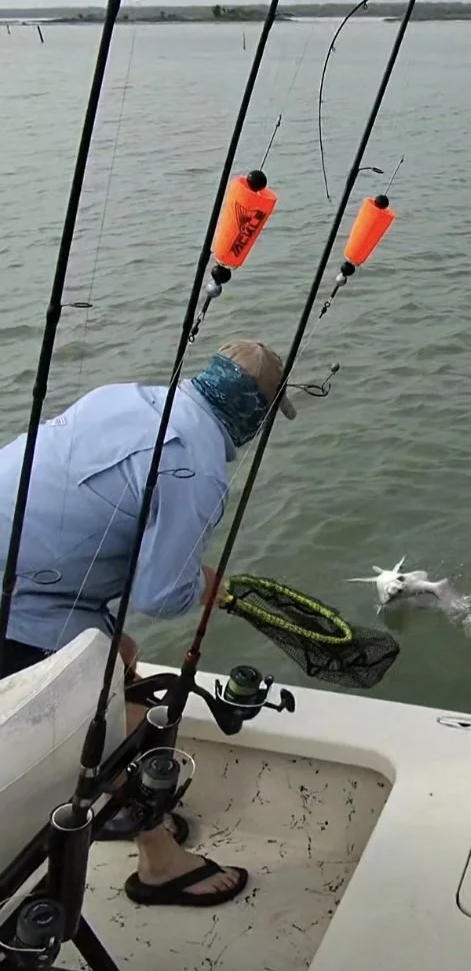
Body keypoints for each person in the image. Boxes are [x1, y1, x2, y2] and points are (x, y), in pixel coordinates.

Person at [0, 338, 297, 907]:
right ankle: (158, 858)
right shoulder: (200, 467)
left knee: (125, 652)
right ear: (255, 413)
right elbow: (160, 594)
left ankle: (127, 804)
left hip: (36, 575)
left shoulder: (126, 397)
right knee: (113, 700)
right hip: (21, 601)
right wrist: (200, 585)